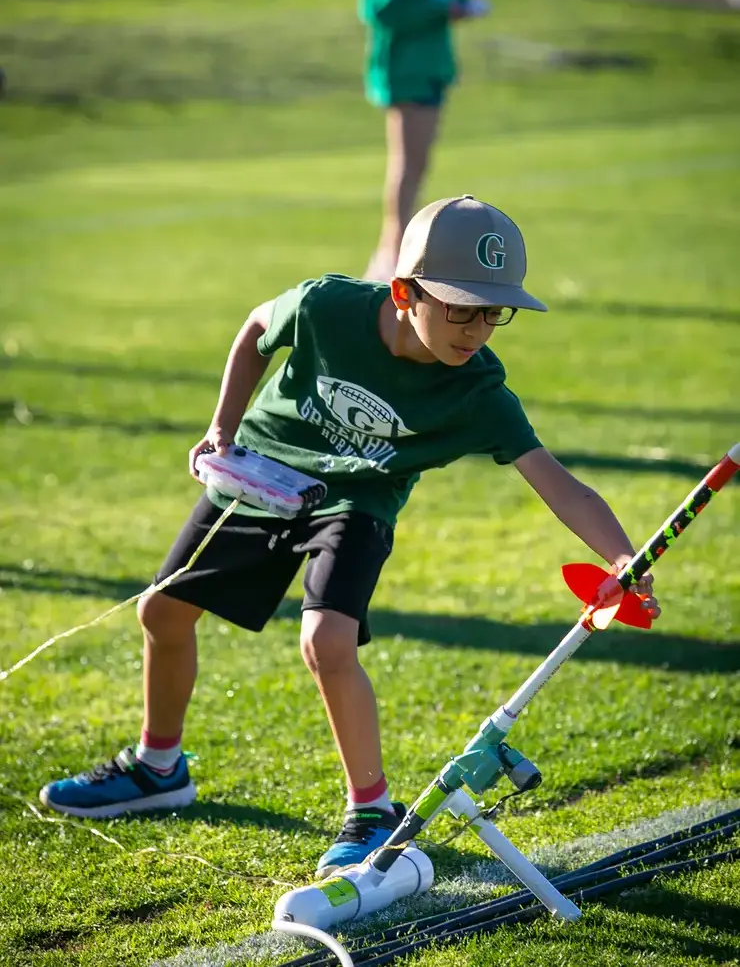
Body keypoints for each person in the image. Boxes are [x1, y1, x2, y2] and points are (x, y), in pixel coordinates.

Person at [39, 195, 660, 879]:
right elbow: (254, 330)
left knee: (327, 641)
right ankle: (159, 769)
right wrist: (223, 426)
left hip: (358, 500)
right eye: (461, 307)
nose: (478, 329)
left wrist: (622, 555)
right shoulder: (325, 307)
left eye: (494, 311)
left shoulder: (478, 390)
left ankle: (371, 812)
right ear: (404, 292)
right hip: (265, 472)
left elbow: (558, 482)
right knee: (160, 610)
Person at [356, 0, 490, 283]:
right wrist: (442, 10)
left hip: (432, 64)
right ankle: (392, 256)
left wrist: (458, 4)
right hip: (406, 68)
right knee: (406, 163)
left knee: (418, 164)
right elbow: (381, 8)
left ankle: (398, 253)